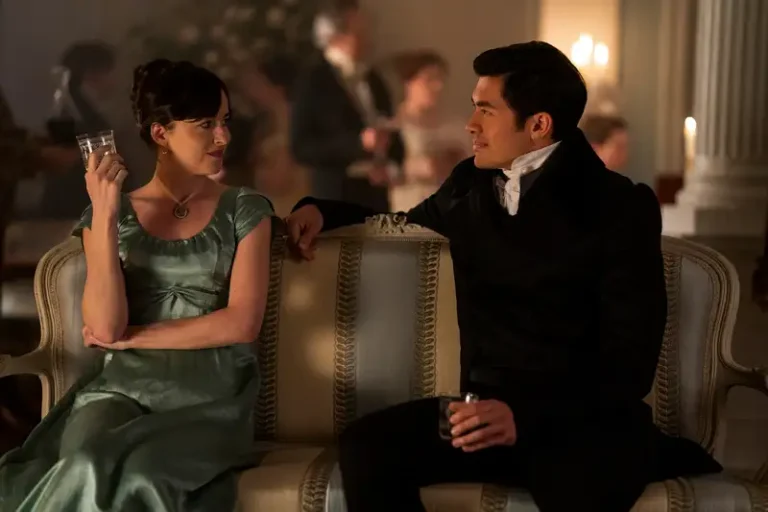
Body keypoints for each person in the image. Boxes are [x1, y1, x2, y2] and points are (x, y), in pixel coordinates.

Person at [285, 42, 722, 512]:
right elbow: (399, 223)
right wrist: (320, 212)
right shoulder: (471, 184)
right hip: (484, 412)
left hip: (583, 425)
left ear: (538, 125)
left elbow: (629, 365)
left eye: (486, 111)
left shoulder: (619, 205)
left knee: (574, 488)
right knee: (368, 446)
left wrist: (526, 418)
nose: (471, 124)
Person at [0, 59, 274, 511]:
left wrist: (135, 338)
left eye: (224, 121)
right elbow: (105, 328)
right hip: (118, 391)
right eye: (206, 124)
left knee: (144, 476)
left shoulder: (245, 209)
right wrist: (106, 217)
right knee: (85, 461)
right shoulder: (110, 216)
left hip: (208, 396)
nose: (223, 137)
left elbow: (242, 324)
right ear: (161, 133)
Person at [290, 0, 404, 211]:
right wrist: (357, 144)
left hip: (377, 199)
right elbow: (301, 148)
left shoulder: (374, 78)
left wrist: (390, 167)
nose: (367, 36)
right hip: (337, 200)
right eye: (358, 30)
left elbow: (394, 133)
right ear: (335, 36)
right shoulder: (313, 81)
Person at [389, 49, 470, 211]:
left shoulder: (455, 124)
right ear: (409, 83)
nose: (437, 86)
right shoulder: (394, 125)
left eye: (440, 79)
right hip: (410, 208)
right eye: (429, 80)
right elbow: (382, 170)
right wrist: (419, 167)